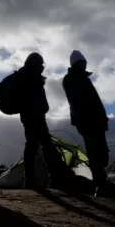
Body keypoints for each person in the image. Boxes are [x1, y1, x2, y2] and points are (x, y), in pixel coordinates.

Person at [16, 53, 72, 191]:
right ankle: (51, 179)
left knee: (34, 147)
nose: (42, 66)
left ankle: (34, 179)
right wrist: (40, 109)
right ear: (35, 63)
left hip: (32, 116)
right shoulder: (31, 76)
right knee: (42, 146)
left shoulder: (25, 75)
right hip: (35, 117)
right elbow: (35, 97)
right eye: (40, 64)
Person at [63, 50, 110, 196]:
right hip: (87, 122)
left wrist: (102, 118)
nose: (84, 65)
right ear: (76, 64)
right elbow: (76, 103)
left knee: (101, 150)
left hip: (95, 121)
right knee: (94, 151)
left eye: (84, 63)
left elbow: (95, 101)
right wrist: (86, 120)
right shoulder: (70, 79)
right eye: (81, 63)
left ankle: (101, 181)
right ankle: (100, 184)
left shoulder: (82, 78)